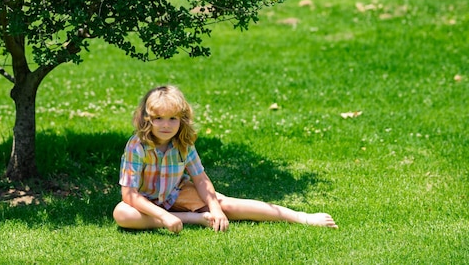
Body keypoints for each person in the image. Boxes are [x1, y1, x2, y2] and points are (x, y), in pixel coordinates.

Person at [112, 85, 338, 233]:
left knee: (227, 203)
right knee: (122, 214)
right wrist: (163, 216)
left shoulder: (183, 143)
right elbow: (129, 194)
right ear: (146, 119)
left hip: (176, 192)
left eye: (173, 118)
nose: (166, 125)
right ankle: (191, 218)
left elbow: (200, 179)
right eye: (158, 118)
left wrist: (216, 208)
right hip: (144, 202)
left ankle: (301, 217)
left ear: (183, 119)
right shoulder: (137, 146)